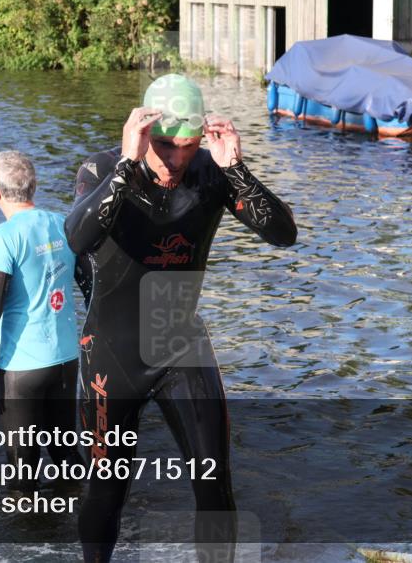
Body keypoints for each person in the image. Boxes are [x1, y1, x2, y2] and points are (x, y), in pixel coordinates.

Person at [65, 74, 297, 562]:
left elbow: (283, 234)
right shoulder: (105, 166)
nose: (174, 160)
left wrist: (237, 169)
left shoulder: (213, 174)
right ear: (145, 131)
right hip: (113, 350)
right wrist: (129, 165)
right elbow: (77, 237)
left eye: (187, 148)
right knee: (107, 489)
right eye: (165, 146)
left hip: (180, 338)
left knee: (214, 483)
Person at [0, 151, 83, 489]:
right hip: (67, 360)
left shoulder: (3, 236)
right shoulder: (62, 223)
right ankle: (89, 529)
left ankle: (29, 539)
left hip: (22, 368)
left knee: (22, 471)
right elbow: (89, 284)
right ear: (34, 186)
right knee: (66, 455)